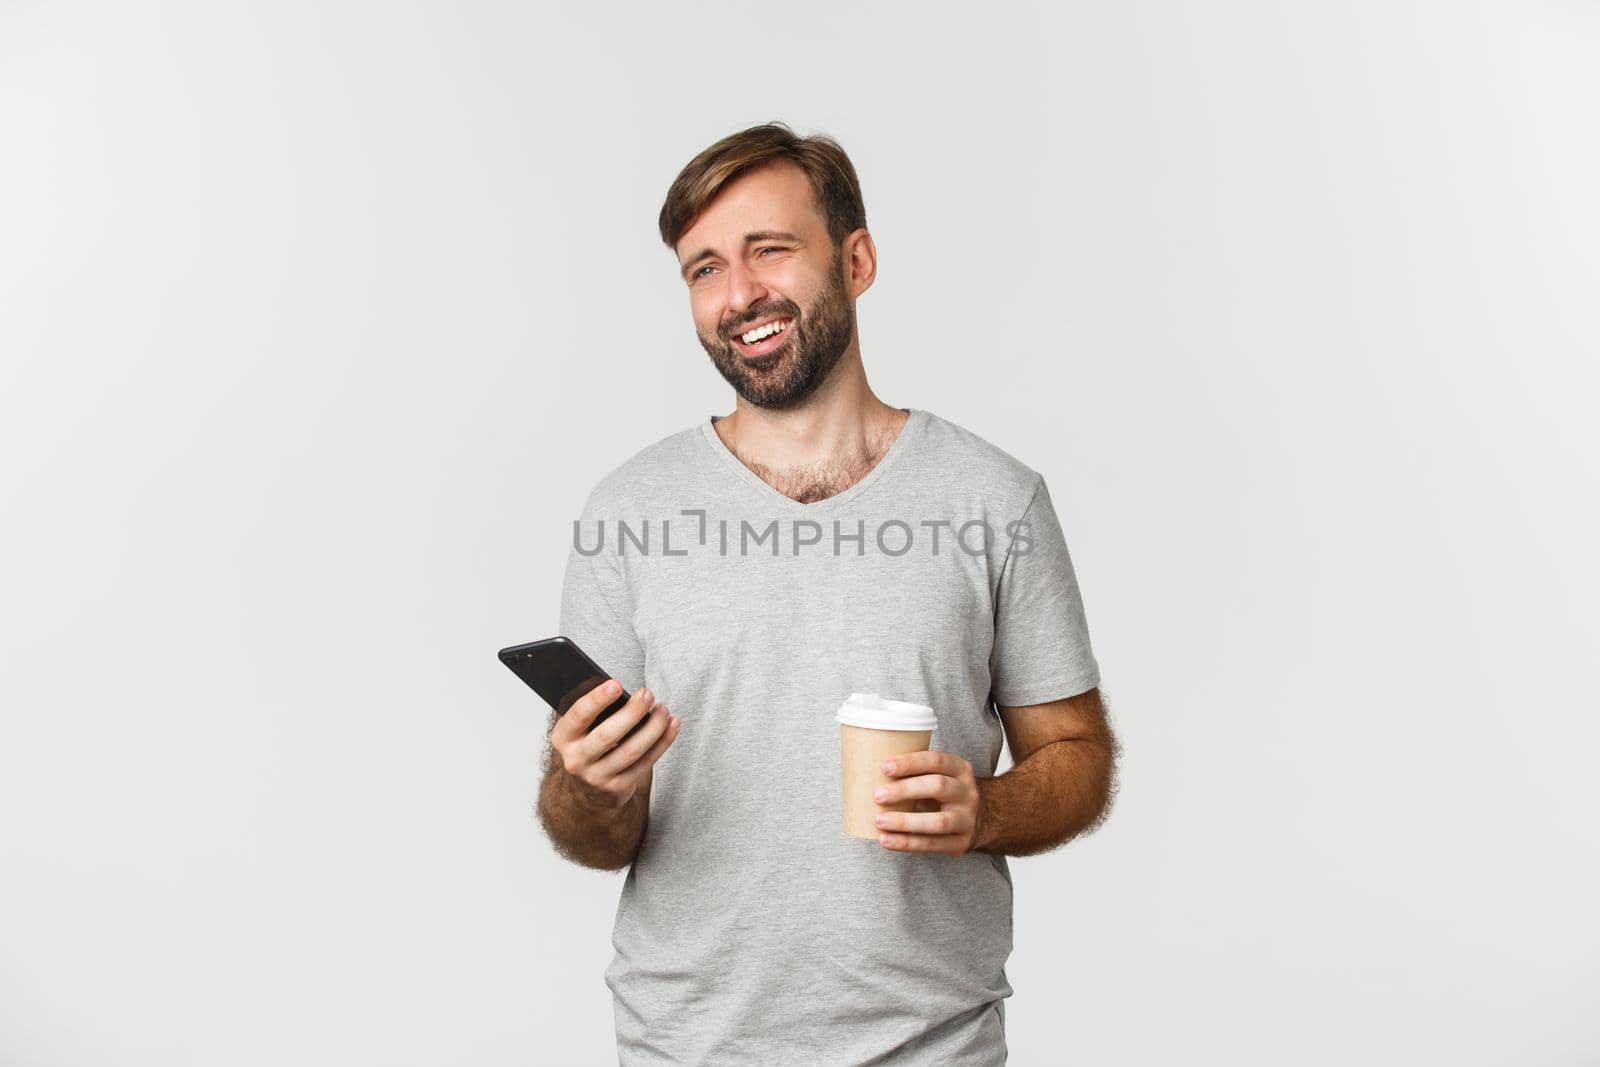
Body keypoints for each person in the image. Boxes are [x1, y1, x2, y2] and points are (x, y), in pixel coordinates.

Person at [538, 121, 1119, 1065]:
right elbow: (594, 832)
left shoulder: (994, 497)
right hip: (686, 1044)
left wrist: (991, 809)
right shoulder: (629, 510)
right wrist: (590, 787)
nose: (740, 295)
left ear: (857, 260)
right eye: (705, 268)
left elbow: (1078, 753)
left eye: (770, 250)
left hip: (931, 1042)